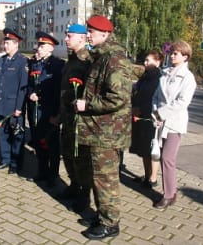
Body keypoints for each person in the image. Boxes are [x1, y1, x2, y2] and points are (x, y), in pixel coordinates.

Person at [75, 15, 132, 240]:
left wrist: (86, 104)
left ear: (105, 34)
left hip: (107, 133)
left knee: (105, 179)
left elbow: (117, 97)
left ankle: (110, 223)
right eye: (89, 30)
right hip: (99, 130)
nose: (88, 34)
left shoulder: (115, 59)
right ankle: (102, 215)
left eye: (92, 31)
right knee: (99, 178)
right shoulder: (101, 56)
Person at [151, 40, 196, 208]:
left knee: (167, 158)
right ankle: (170, 191)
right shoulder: (165, 73)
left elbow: (182, 102)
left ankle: (169, 195)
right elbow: (156, 96)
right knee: (161, 156)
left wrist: (161, 113)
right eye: (172, 53)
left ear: (185, 57)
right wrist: (155, 112)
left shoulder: (188, 78)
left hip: (175, 123)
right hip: (160, 121)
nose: (172, 55)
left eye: (176, 53)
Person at [58, 24, 92, 212]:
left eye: (69, 36)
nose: (66, 39)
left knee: (81, 158)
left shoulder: (87, 61)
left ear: (82, 38)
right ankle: (73, 186)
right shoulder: (71, 60)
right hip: (67, 116)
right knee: (68, 155)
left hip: (80, 119)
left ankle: (84, 196)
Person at [27, 31, 64, 187]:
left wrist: (56, 114)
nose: (39, 48)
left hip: (49, 112)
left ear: (51, 48)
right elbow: (30, 85)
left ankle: (52, 175)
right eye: (39, 45)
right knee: (38, 142)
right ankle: (42, 171)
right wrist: (31, 94)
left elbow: (57, 92)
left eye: (42, 46)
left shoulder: (57, 65)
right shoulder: (35, 63)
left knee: (51, 145)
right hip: (35, 111)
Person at [0, 28, 28, 174]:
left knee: (17, 136)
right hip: (2, 104)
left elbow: (23, 88)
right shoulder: (1, 60)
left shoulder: (22, 61)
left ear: (16, 44)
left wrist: (19, 108)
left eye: (8, 43)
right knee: (3, 135)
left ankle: (15, 163)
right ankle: (5, 160)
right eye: (4, 43)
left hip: (14, 106)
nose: (5, 46)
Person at [130, 50, 163, 188]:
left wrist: (142, 109)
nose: (145, 63)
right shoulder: (145, 76)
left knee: (152, 149)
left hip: (152, 117)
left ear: (158, 62)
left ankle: (153, 179)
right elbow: (138, 92)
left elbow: (156, 98)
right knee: (143, 149)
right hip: (140, 116)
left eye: (148, 60)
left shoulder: (159, 78)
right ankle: (147, 175)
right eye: (145, 60)